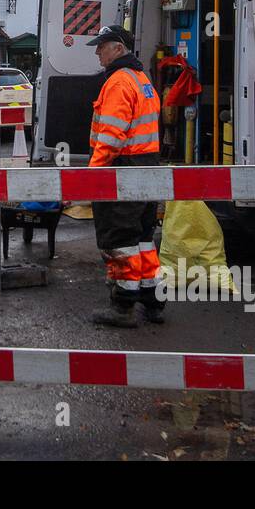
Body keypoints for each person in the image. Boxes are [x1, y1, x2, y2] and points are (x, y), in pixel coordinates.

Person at [86, 25, 165, 328]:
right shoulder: (142, 80)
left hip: (121, 167)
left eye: (102, 46)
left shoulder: (119, 82)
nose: (97, 52)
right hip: (146, 165)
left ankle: (122, 306)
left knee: (119, 237)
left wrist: (94, 172)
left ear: (118, 48)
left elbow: (112, 135)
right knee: (143, 237)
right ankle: (153, 301)